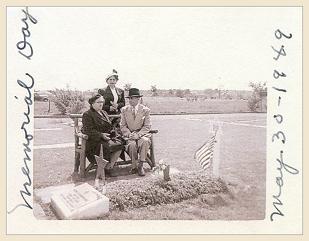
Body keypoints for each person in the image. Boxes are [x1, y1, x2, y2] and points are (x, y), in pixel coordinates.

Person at [81, 94, 124, 179]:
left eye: (102, 102)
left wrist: (114, 134)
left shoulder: (104, 112)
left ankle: (108, 167)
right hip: (94, 141)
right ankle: (103, 169)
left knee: (120, 143)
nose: (101, 104)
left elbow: (109, 127)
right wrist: (101, 135)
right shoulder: (88, 114)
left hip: (105, 138)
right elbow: (88, 130)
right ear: (92, 103)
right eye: (98, 102)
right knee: (106, 147)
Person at [120, 88, 151, 176]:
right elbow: (122, 125)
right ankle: (134, 166)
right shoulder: (124, 110)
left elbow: (147, 126)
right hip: (129, 135)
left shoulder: (145, 110)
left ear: (138, 99)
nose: (130, 100)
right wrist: (129, 134)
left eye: (132, 98)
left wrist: (138, 135)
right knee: (132, 145)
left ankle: (140, 166)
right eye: (129, 98)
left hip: (141, 135)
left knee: (145, 141)